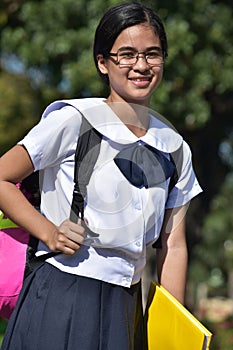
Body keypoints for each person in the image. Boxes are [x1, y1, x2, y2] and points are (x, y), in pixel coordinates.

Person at [0, 2, 202, 349]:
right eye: (126, 54)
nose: (141, 65)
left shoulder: (174, 148)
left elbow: (173, 243)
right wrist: (48, 232)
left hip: (126, 305)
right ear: (102, 62)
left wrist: (174, 327)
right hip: (63, 293)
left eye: (152, 54)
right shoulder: (73, 120)